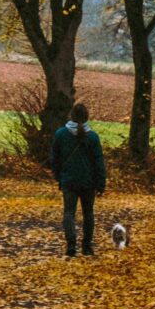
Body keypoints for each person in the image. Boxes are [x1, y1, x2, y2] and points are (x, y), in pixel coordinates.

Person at [50, 99, 106, 257]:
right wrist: (101, 183)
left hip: (68, 181)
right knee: (88, 213)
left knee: (69, 212)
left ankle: (71, 245)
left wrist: (59, 176)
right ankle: (87, 247)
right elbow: (99, 162)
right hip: (88, 182)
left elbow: (54, 158)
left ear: (71, 116)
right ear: (87, 117)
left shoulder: (61, 134)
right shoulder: (93, 137)